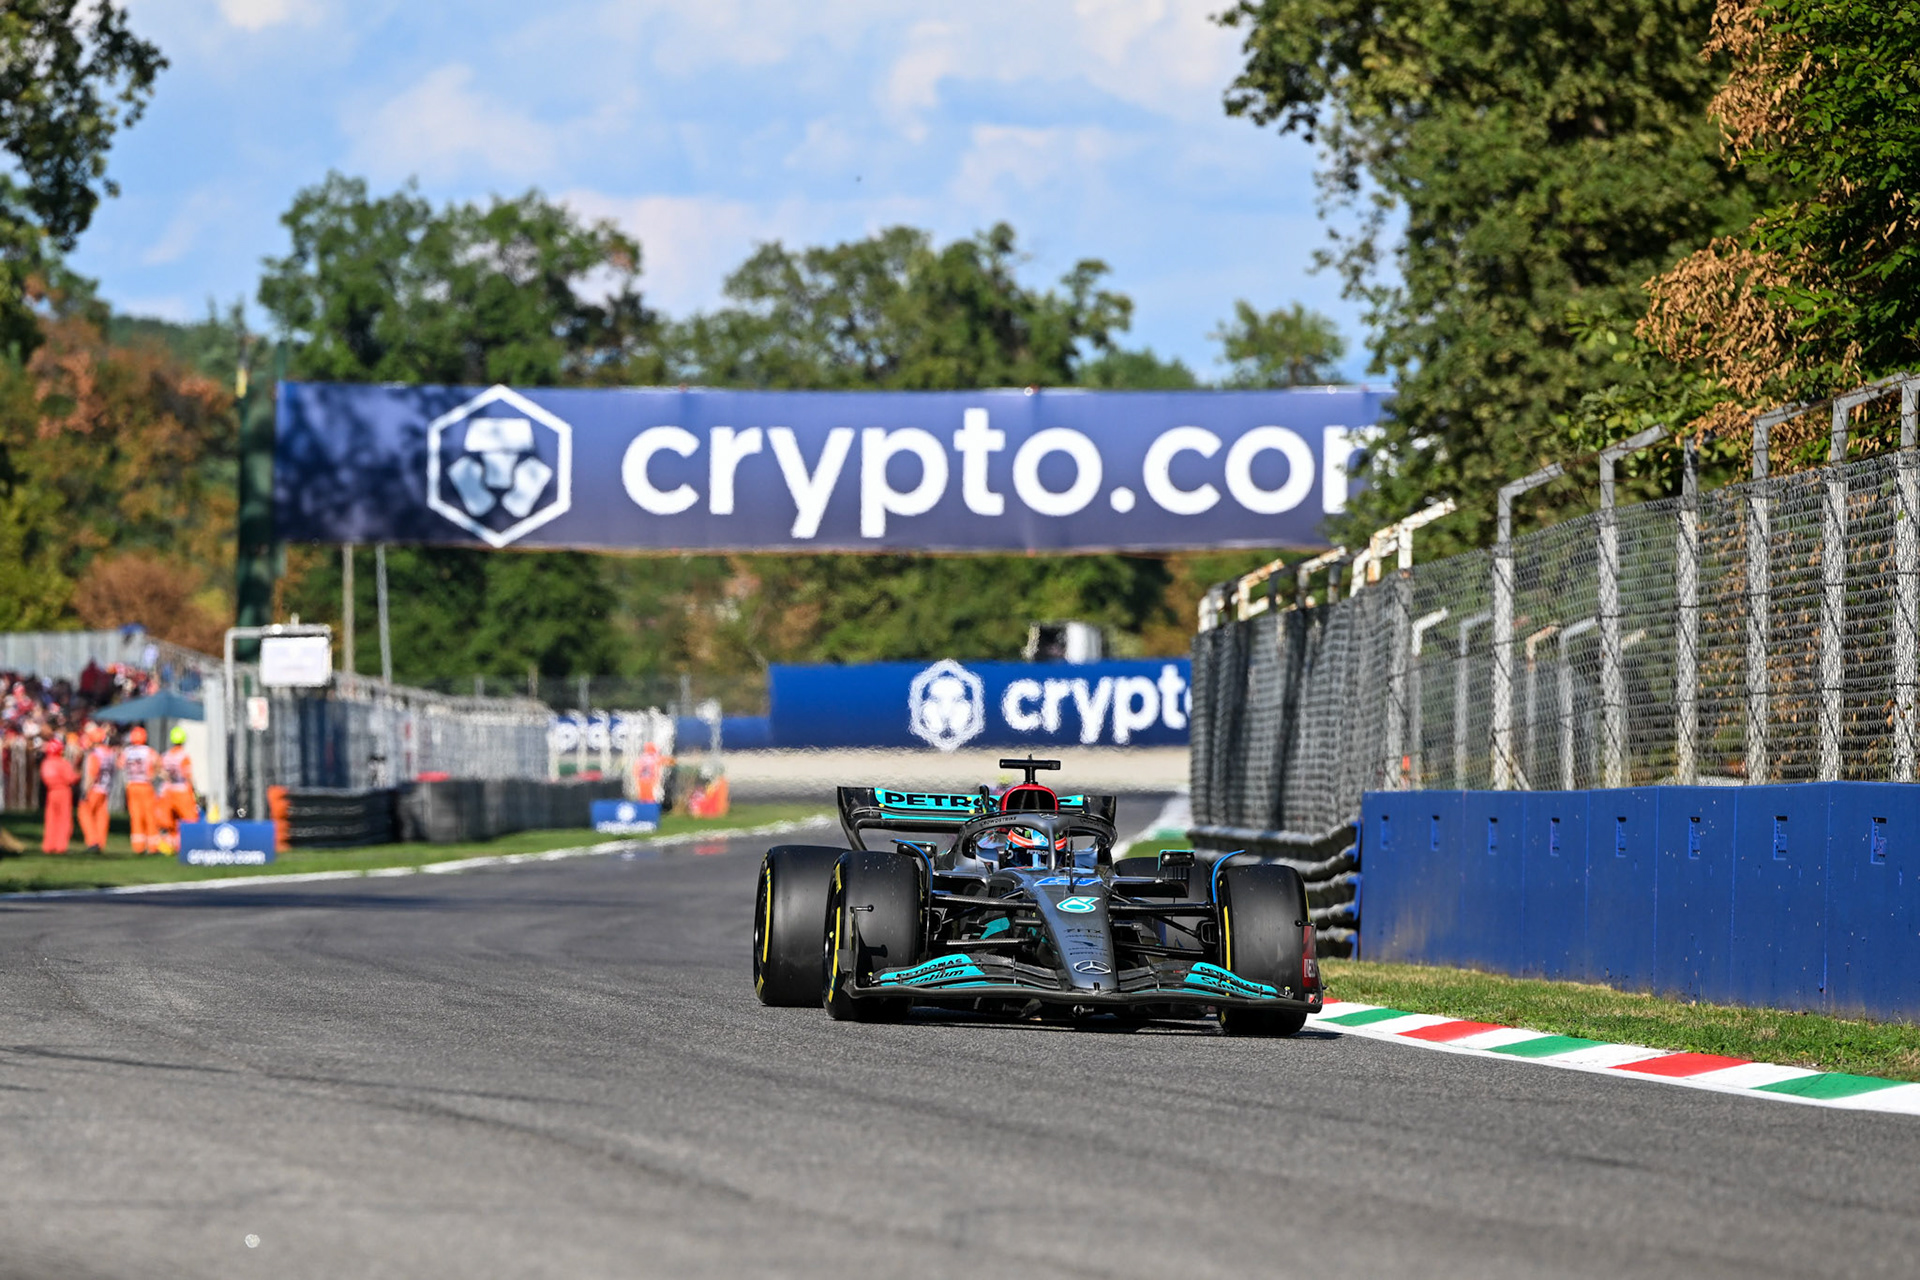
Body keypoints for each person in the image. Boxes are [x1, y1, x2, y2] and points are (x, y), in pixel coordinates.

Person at [155, 726, 199, 855]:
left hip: (168, 791)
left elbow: (160, 771)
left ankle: (171, 846)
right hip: (182, 790)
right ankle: (187, 846)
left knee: (171, 822)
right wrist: (195, 790)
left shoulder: (166, 755)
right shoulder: (184, 756)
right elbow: (188, 775)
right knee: (189, 820)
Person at [78, 725, 116, 854]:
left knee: (84, 813)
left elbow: (92, 774)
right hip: (105, 789)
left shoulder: (94, 754)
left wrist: (85, 790)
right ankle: (100, 842)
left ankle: (92, 842)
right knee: (101, 816)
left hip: (94, 788)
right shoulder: (110, 753)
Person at [122, 726, 158, 855]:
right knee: (150, 815)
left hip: (132, 785)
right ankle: (153, 846)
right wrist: (153, 775)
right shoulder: (148, 751)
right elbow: (157, 764)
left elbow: (120, 765)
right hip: (145, 785)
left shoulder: (127, 751)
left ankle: (138, 846)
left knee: (135, 816)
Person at [40, 739, 78, 854]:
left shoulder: (46, 763)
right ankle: (61, 846)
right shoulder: (62, 763)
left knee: (51, 819)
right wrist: (78, 774)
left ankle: (48, 845)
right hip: (63, 791)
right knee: (64, 820)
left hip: (51, 792)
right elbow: (71, 778)